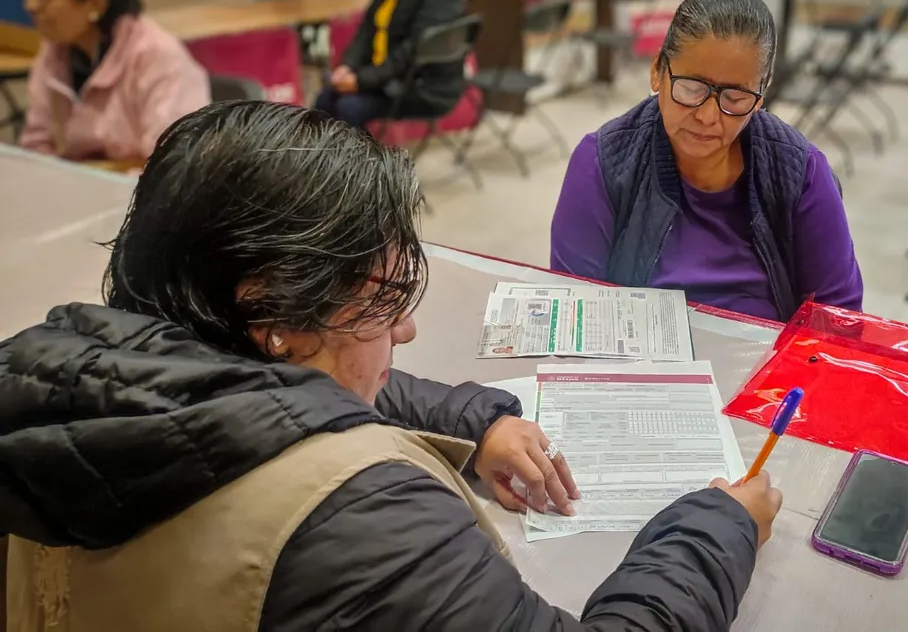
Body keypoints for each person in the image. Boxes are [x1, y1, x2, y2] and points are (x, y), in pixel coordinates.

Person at [0, 100, 784, 632]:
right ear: (273, 314)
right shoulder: (365, 525)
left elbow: (262, 405)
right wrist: (715, 530)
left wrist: (478, 424)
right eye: (380, 301)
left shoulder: (73, 391)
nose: (407, 328)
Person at [550, 0, 864, 322]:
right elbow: (574, 312)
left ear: (761, 95)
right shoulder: (602, 163)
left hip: (768, 355)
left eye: (735, 98)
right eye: (691, 88)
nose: (707, 116)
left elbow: (838, 321)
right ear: (657, 71)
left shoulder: (801, 173)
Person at [18, 0, 210, 166]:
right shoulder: (54, 53)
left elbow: (172, 167)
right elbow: (36, 148)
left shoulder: (158, 56)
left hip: (135, 186)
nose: (30, 5)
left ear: (95, 3)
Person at [314, 0, 467, 129]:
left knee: (349, 108)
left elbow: (412, 52)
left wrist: (361, 81)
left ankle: (356, 148)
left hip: (421, 87)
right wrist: (348, 66)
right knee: (324, 101)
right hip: (384, 78)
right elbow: (367, 29)